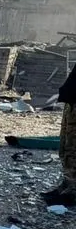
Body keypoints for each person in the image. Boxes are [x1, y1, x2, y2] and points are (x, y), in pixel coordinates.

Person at [43, 64, 76, 206]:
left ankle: (72, 193)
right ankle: (67, 185)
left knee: (73, 149)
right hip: (72, 102)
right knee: (66, 146)